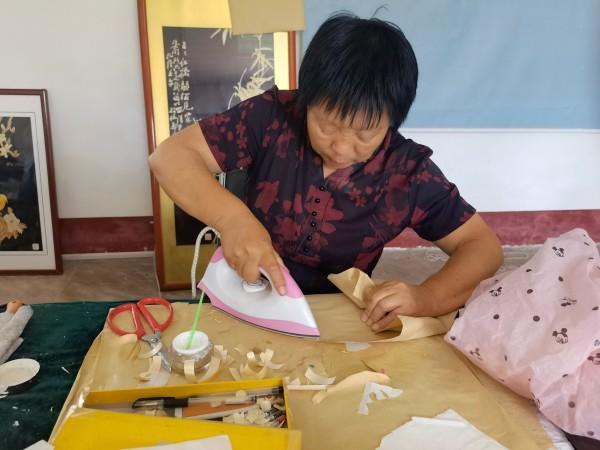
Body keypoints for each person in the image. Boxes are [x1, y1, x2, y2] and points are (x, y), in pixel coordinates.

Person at [149, 13, 503, 332]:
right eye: (327, 125)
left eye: (365, 134)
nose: (342, 148)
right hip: (243, 295)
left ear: (393, 121)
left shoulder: (407, 172)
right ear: (306, 100)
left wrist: (428, 297)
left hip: (334, 319)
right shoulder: (272, 117)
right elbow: (170, 157)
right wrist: (232, 220)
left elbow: (482, 247)